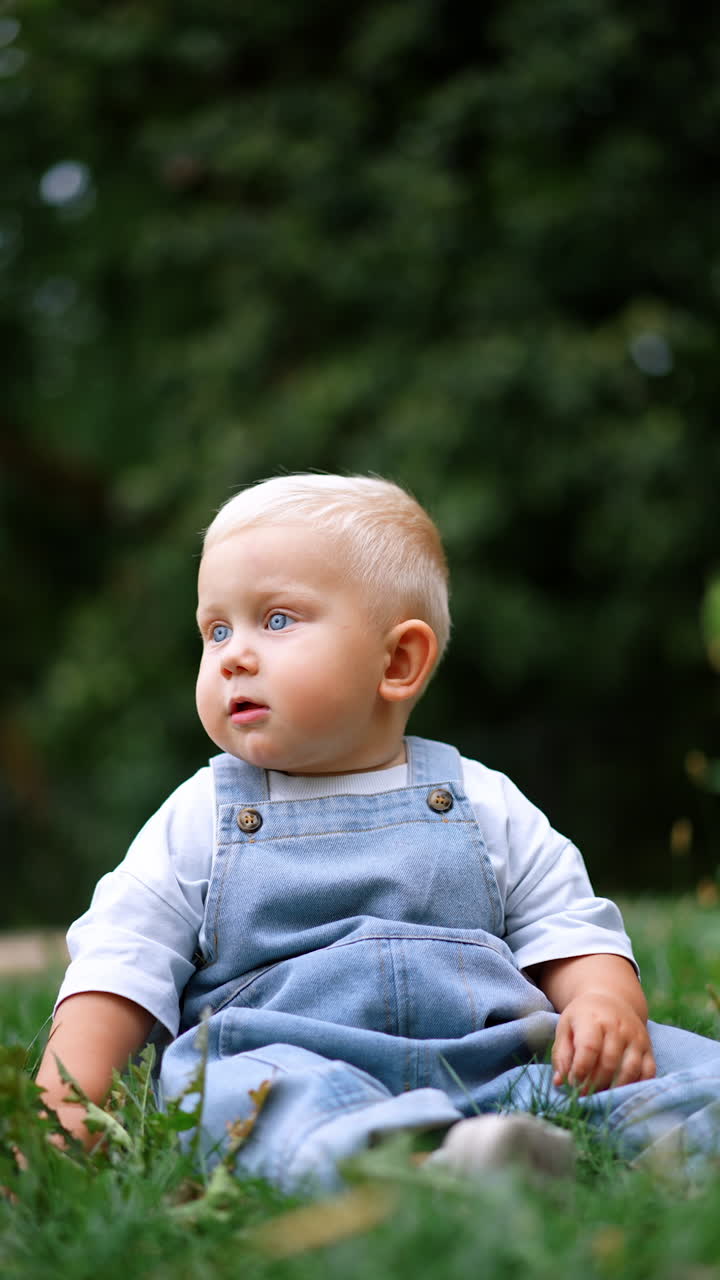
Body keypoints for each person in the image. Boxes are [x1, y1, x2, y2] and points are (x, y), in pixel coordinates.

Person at [37, 474, 720, 1191]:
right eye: (216, 629)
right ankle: (404, 1162)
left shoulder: (479, 798)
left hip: (493, 1059)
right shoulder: (199, 816)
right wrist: (68, 1097)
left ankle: (553, 1144)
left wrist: (602, 1002)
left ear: (397, 662)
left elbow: (565, 921)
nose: (233, 654)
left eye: (275, 621)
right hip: (286, 1059)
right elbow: (122, 961)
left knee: (683, 1063)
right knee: (233, 1094)